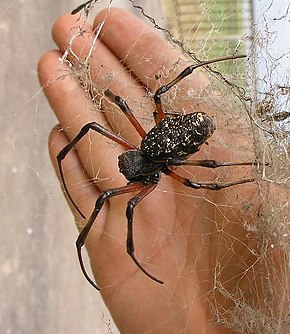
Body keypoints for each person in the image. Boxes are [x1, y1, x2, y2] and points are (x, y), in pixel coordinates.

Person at [38, 8, 260, 333]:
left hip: (183, 133)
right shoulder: (143, 157)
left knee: (132, 193)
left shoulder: (148, 176)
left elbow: (122, 193)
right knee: (127, 121)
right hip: (169, 138)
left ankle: (254, 169)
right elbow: (96, 123)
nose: (127, 175)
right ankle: (253, 168)